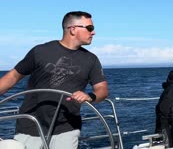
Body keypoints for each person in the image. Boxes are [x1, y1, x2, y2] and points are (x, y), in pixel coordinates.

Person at [0, 11, 109, 149]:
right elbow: (13, 77)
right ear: (73, 29)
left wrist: (90, 96)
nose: (93, 33)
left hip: (67, 128)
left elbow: (102, 90)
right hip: (30, 124)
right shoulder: (40, 51)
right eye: (90, 28)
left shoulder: (91, 60)